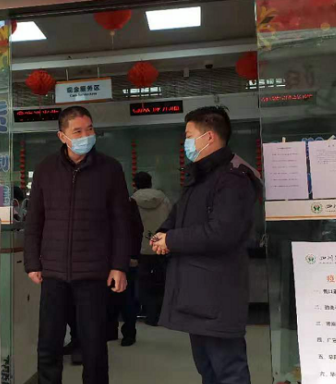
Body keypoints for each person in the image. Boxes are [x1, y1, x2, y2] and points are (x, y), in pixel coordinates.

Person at [151, 106, 262, 384]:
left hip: (218, 294)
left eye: (189, 136)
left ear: (209, 137)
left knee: (229, 371)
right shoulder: (200, 178)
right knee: (208, 370)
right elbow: (177, 217)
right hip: (197, 293)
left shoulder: (233, 178)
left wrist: (171, 240)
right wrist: (162, 235)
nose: (185, 142)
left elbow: (222, 232)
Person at [24, 106, 131, 384]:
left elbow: (122, 221)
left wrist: (119, 265)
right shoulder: (46, 169)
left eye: (90, 129)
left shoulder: (110, 169)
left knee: (94, 345)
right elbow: (35, 219)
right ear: (63, 136)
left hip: (94, 272)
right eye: (78, 131)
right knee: (49, 343)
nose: (86, 136)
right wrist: (32, 261)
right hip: (54, 272)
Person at [132, 171, 172, 326]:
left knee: (143, 282)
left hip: (141, 248)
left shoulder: (131, 201)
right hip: (161, 246)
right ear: (150, 182)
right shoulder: (164, 199)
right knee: (162, 281)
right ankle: (161, 314)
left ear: (135, 184)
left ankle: (148, 313)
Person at [106, 196, 143, 347]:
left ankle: (126, 332)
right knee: (115, 297)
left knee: (125, 297)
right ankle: (119, 331)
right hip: (116, 256)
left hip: (119, 257)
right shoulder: (127, 202)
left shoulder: (127, 203)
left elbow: (136, 230)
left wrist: (134, 255)